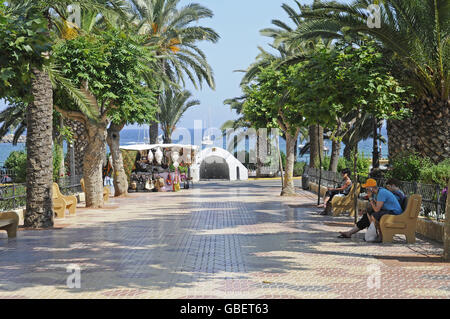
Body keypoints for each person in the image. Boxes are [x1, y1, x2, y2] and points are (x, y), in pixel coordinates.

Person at [338, 178, 405, 241]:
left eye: (367, 188)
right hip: (388, 211)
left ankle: (379, 236)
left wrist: (370, 198)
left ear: (371, 188)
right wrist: (367, 209)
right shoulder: (377, 193)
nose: (366, 190)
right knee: (367, 215)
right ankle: (349, 233)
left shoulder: (382, 193)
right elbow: (374, 207)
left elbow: (377, 210)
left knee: (374, 215)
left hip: (395, 213)